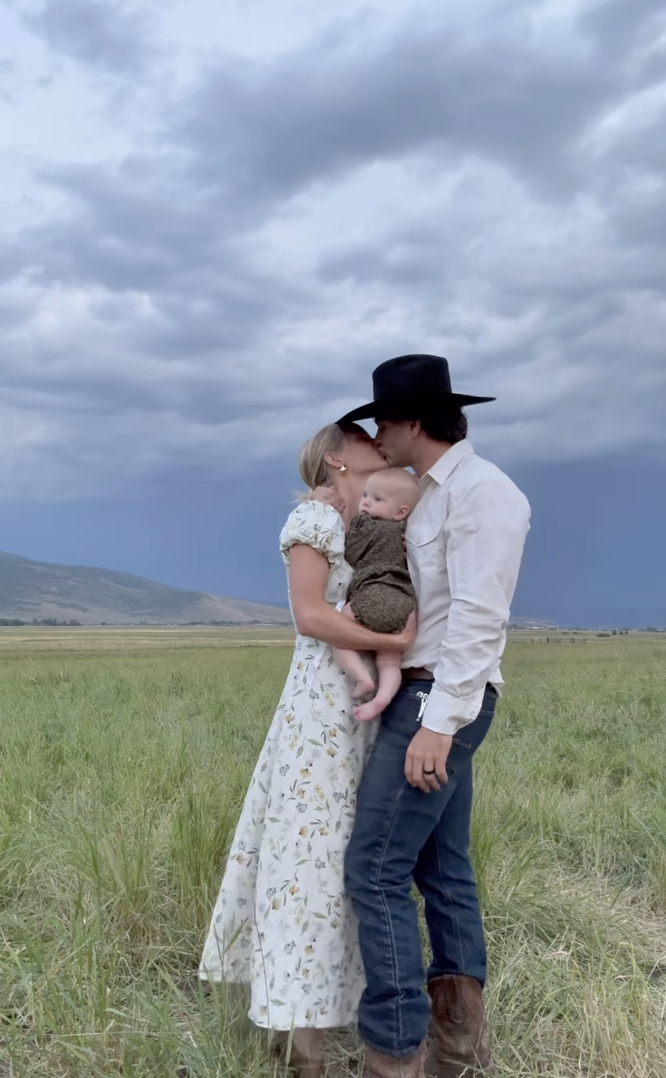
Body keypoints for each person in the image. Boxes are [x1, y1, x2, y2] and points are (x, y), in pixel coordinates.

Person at [198, 420, 416, 1078]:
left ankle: (325, 1026)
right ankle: (305, 1052)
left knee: (350, 865)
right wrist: (397, 645)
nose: (378, 443)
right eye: (362, 439)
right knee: (309, 867)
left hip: (360, 712)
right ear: (335, 460)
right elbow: (309, 615)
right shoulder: (315, 524)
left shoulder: (364, 524)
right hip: (322, 712)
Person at [339, 355, 531, 1078]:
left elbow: (480, 619)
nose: (377, 434)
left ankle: (395, 1055)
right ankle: (457, 1051)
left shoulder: (484, 494)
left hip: (439, 695)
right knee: (443, 868)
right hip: (433, 691)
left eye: (383, 420)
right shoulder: (431, 493)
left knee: (375, 869)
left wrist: (439, 722)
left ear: (416, 421)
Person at [331, 467, 421, 722]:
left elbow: (350, 553)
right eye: (366, 495)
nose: (366, 502)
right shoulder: (405, 532)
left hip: (372, 592)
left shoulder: (365, 525)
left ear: (400, 510)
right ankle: (382, 699)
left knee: (339, 635)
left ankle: (363, 679)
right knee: (390, 661)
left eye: (377, 499)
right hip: (403, 600)